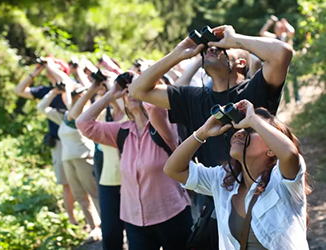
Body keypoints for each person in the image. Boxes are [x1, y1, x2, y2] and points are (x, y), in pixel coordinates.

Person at [129, 24, 293, 248]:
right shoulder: (193, 98)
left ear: (240, 63)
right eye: (209, 47)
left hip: (263, 195)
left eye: (221, 49)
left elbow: (282, 54)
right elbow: (138, 90)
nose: (211, 48)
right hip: (215, 198)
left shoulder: (254, 91)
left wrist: (233, 39)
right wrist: (180, 52)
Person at [163, 99, 310, 250]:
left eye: (249, 130)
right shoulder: (223, 180)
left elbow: (290, 154)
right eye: (238, 129)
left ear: (272, 149)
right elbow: (173, 169)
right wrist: (202, 132)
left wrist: (252, 118)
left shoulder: (282, 180)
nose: (239, 133)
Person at [76, 78, 193, 250]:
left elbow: (155, 107)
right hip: (135, 220)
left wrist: (145, 83)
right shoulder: (121, 131)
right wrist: (110, 95)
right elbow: (83, 123)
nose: (132, 94)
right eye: (128, 92)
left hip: (171, 215)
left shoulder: (163, 126)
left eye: (136, 91)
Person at [38, 58, 101, 242]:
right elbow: (42, 107)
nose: (73, 98)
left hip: (83, 156)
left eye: (76, 96)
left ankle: (108, 226)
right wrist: (53, 92)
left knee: (94, 192)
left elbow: (73, 98)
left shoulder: (83, 114)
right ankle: (93, 227)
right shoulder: (64, 116)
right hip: (68, 159)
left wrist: (67, 87)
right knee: (80, 195)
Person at [13, 57, 77, 225]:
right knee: (66, 183)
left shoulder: (73, 88)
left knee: (83, 181)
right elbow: (19, 90)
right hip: (58, 143)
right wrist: (34, 73)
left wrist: (52, 66)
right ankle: (72, 220)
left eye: (52, 68)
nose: (48, 71)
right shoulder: (47, 92)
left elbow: (67, 81)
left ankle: (92, 219)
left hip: (76, 141)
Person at [70, 65, 126, 250]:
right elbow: (74, 116)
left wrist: (113, 87)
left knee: (137, 233)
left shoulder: (133, 113)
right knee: (110, 234)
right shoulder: (102, 114)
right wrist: (92, 88)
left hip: (133, 180)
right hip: (108, 181)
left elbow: (124, 117)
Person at [260, 15, 301, 104]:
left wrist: (285, 23)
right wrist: (269, 22)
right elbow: (262, 32)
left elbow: (292, 31)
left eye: (278, 27)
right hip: (281, 63)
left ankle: (297, 99)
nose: (276, 29)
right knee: (283, 82)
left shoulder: (286, 36)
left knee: (294, 80)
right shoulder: (274, 38)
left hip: (290, 61)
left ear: (283, 28)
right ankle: (287, 101)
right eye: (275, 27)